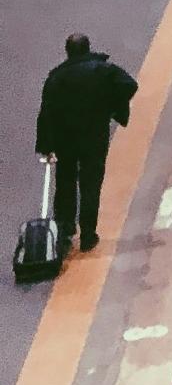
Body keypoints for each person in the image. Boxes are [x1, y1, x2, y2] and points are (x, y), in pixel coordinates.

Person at [35, 34, 138, 253]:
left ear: (68, 52)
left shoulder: (56, 77)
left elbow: (46, 113)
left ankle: (65, 230)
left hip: (66, 139)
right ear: (88, 48)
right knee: (91, 184)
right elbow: (130, 85)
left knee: (65, 183)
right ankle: (88, 235)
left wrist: (45, 146)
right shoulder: (103, 69)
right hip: (94, 137)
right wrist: (111, 106)